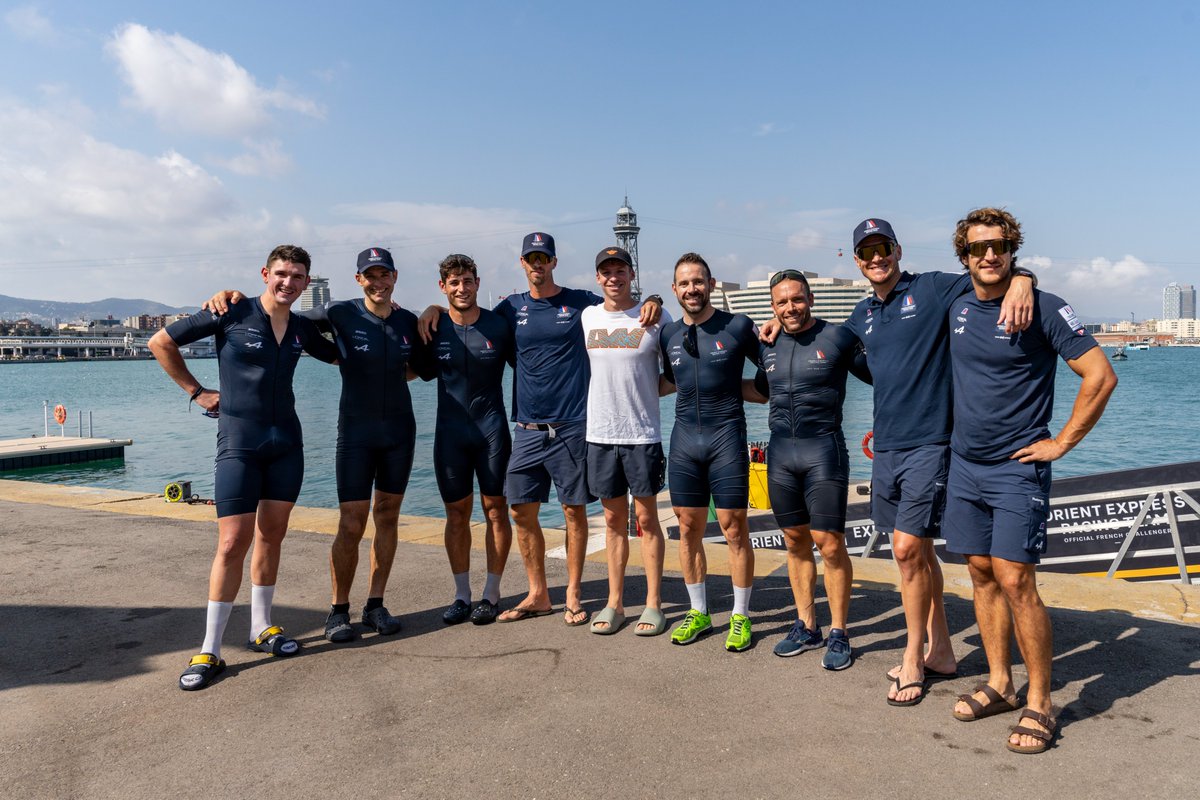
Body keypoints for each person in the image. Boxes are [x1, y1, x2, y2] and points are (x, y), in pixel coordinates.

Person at [419, 232, 661, 626]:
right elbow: (467, 315)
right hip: (527, 428)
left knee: (573, 510)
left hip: (572, 424)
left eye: (543, 258)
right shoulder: (509, 309)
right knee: (519, 510)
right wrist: (432, 308)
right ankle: (537, 593)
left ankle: (573, 593)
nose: (537, 264)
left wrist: (655, 299)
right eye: (531, 258)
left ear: (553, 262)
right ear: (522, 264)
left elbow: (621, 304)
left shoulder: (581, 302)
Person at [841, 218, 1035, 706]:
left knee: (906, 550)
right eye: (866, 252)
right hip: (887, 446)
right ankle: (943, 651)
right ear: (858, 262)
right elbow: (833, 349)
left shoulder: (929, 289)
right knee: (920, 552)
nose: (876, 258)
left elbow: (990, 274)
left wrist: (1025, 278)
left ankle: (913, 657)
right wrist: (779, 324)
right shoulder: (861, 315)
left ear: (897, 250)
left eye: (883, 247)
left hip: (933, 442)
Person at [943, 207, 1115, 753]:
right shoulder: (955, 302)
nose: (988, 255)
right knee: (980, 573)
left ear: (1014, 248)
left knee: (1017, 580)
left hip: (1017, 468)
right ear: (963, 255)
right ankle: (1001, 683)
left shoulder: (1042, 306)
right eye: (977, 248)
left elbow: (1100, 375)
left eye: (999, 246)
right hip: (964, 465)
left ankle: (1040, 701)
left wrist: (1063, 442)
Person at [204, 247, 428, 644]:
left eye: (384, 275)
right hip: (355, 434)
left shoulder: (410, 322)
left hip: (399, 432)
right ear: (359, 279)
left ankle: (375, 604)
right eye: (369, 275)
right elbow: (278, 313)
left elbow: (420, 368)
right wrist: (229, 297)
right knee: (352, 522)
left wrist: (435, 310)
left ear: (395, 277)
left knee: (388, 516)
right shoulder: (338, 313)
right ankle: (338, 611)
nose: (378, 282)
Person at [149, 245, 339, 691]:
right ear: (265, 274)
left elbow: (345, 356)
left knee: (272, 535)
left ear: (306, 283)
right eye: (280, 273)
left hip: (287, 444)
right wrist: (197, 392)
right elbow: (161, 342)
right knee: (232, 542)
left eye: (296, 276)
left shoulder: (301, 328)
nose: (287, 282)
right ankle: (210, 648)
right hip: (239, 443)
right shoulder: (231, 311)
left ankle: (261, 627)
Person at [744, 270, 871, 668]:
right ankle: (806, 625)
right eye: (781, 302)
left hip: (824, 450)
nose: (790, 308)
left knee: (829, 542)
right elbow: (762, 392)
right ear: (773, 306)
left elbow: (885, 376)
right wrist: (704, 388)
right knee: (795, 539)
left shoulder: (839, 337)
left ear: (811, 299)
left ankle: (839, 631)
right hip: (781, 452)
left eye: (797, 299)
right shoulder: (768, 344)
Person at [660, 252, 761, 651]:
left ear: (712, 284)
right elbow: (668, 381)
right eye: (684, 283)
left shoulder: (737, 327)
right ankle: (698, 611)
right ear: (674, 289)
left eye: (698, 281)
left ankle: (741, 615)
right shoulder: (668, 334)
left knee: (735, 527)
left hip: (726, 438)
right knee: (687, 528)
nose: (692, 289)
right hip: (684, 440)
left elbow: (772, 366)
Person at [581, 246, 671, 636]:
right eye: (606, 271)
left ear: (632, 274)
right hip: (599, 434)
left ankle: (654, 604)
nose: (613, 277)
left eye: (620, 270)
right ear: (598, 278)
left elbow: (675, 371)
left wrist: (646, 392)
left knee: (648, 520)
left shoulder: (655, 317)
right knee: (613, 521)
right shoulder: (588, 316)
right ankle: (614, 602)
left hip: (642, 434)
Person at [426, 254, 516, 626]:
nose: (461, 288)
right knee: (456, 514)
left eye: (467, 281)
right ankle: (462, 595)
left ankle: (491, 594)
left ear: (478, 283)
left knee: (496, 509)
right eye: (453, 282)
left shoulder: (499, 325)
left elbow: (532, 367)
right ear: (443, 286)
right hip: (450, 433)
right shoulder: (433, 327)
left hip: (492, 430)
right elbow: (410, 370)